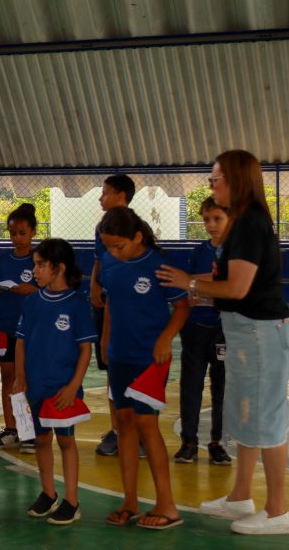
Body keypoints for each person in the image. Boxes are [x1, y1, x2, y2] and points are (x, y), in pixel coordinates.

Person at [157, 150, 289, 535]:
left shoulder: (250, 223)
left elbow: (236, 288)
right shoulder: (240, 224)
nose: (211, 184)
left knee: (267, 419)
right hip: (244, 331)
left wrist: (189, 283)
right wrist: (190, 282)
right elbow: (225, 282)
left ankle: (278, 512)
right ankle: (240, 496)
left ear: (234, 180)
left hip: (262, 332)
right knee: (246, 414)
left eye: (215, 178)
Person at [99, 207, 188, 530]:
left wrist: (165, 338)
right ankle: (130, 501)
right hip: (120, 355)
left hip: (150, 358)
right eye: (108, 247)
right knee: (123, 423)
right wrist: (105, 340)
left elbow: (182, 306)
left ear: (137, 237)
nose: (113, 252)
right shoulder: (110, 262)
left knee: (146, 423)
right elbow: (111, 303)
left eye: (119, 246)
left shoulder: (158, 266)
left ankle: (167, 505)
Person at [12, 239, 95, 525]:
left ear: (58, 268)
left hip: (62, 389)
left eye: (40, 265)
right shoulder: (32, 301)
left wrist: (73, 386)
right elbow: (21, 342)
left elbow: (85, 350)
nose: (34, 270)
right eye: (34, 265)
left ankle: (72, 500)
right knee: (41, 439)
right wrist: (21, 378)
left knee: (66, 441)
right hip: (36, 387)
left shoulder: (77, 304)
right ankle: (48, 493)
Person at [174, 198, 231, 466]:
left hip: (224, 329)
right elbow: (188, 286)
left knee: (222, 387)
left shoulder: (236, 253)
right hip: (196, 327)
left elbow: (230, 285)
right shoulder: (199, 251)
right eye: (206, 219)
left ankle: (217, 442)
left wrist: (200, 282)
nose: (210, 225)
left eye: (217, 219)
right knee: (191, 385)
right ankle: (189, 442)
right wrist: (195, 289)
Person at [0, 203, 38, 452]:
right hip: (5, 325)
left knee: (26, 379)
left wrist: (30, 290)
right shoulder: (4, 259)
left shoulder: (38, 260)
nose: (17, 238)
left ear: (33, 232)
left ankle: (30, 432)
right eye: (13, 233)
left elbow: (49, 291)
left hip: (31, 328)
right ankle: (11, 429)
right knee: (8, 378)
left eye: (22, 233)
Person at [90, 174, 135, 457]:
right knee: (109, 366)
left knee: (129, 366)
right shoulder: (101, 226)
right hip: (105, 301)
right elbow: (99, 259)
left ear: (121, 196)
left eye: (105, 193)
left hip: (125, 305)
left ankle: (134, 429)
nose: (100, 198)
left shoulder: (135, 227)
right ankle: (116, 429)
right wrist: (94, 285)